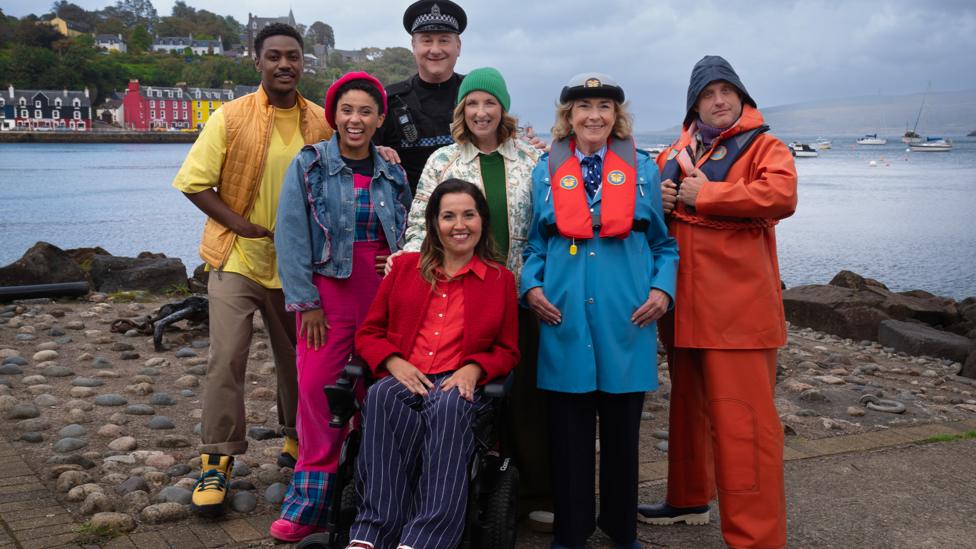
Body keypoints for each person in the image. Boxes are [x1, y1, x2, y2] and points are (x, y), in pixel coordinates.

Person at [171, 22, 332, 516]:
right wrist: (240, 225)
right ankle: (216, 460)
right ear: (257, 61)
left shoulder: (321, 121)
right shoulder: (231, 116)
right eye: (274, 56)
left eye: (293, 56)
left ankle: (297, 440)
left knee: (299, 359)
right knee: (226, 357)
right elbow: (194, 182)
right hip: (237, 258)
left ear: (303, 63)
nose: (284, 64)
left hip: (297, 266)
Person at [637, 55, 797, 549]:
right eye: (708, 94)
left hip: (739, 314)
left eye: (727, 91)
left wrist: (706, 196)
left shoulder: (766, 146)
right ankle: (688, 497)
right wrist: (660, 202)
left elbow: (781, 195)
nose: (719, 100)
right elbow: (649, 213)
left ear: (742, 98)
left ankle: (757, 538)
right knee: (688, 410)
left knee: (745, 424)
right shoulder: (675, 152)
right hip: (684, 311)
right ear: (694, 106)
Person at [521, 73, 679, 549]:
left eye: (604, 107)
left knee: (622, 438)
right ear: (568, 116)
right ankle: (571, 533)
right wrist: (531, 287)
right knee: (567, 440)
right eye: (584, 107)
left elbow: (664, 246)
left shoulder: (644, 169)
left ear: (617, 115)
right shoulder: (544, 170)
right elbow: (535, 245)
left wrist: (662, 292)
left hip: (626, 321)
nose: (594, 116)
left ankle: (620, 529)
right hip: (564, 320)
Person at [399, 66, 553, 526]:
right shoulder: (443, 161)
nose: (481, 112)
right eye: (472, 103)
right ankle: (461, 489)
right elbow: (419, 225)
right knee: (468, 392)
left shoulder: (532, 158)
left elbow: (549, 224)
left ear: (503, 108)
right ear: (461, 110)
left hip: (523, 293)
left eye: (489, 103)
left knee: (528, 396)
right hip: (462, 295)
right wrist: (405, 265)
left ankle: (535, 493)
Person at [269, 72, 411, 542]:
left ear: (379, 119)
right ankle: (310, 501)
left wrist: (398, 260)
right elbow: (291, 235)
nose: (355, 119)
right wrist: (306, 302)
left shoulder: (393, 171)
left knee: (380, 394)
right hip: (327, 296)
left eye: (366, 111)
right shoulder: (309, 164)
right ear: (333, 115)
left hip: (382, 295)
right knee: (316, 391)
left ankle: (374, 499)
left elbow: (410, 232)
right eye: (347, 110)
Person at [347, 179, 520, 549]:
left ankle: (426, 538)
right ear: (434, 223)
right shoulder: (404, 268)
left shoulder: (499, 279)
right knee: (381, 396)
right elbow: (368, 333)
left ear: (482, 220)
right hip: (408, 373)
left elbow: (507, 350)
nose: (460, 225)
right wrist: (393, 361)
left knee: (449, 405)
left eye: (468, 215)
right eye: (448, 216)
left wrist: (474, 368)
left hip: (458, 381)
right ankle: (373, 532)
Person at [374, 0, 467, 192]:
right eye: (427, 40)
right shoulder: (390, 101)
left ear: (458, 46)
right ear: (413, 46)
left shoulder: (474, 95)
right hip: (407, 207)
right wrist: (374, 151)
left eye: (444, 40)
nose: (435, 50)